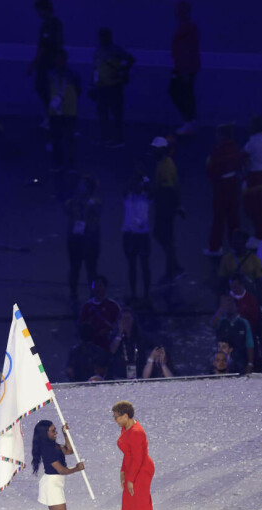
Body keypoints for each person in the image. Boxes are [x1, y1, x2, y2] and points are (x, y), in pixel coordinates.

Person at [112, 401, 160, 510]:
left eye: (117, 417)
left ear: (125, 416)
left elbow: (138, 459)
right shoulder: (125, 427)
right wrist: (123, 472)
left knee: (143, 508)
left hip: (142, 471)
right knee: (127, 508)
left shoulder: (136, 432)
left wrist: (130, 479)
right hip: (132, 469)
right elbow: (129, 454)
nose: (115, 420)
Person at [31, 420, 84, 510]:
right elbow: (62, 470)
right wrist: (76, 469)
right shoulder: (48, 449)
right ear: (45, 433)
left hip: (54, 484)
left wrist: (65, 434)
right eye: (53, 431)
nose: (55, 433)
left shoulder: (51, 445)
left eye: (56, 430)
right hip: (52, 485)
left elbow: (69, 450)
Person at [91, 27, 135, 148]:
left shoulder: (115, 50)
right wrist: (94, 84)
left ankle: (118, 139)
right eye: (101, 36)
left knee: (116, 113)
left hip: (114, 86)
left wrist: (121, 71)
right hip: (102, 86)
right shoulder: (98, 51)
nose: (102, 39)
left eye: (104, 36)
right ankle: (106, 137)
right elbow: (96, 69)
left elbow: (131, 59)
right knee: (103, 113)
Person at [205, 124, 243, 255]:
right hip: (233, 184)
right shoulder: (234, 147)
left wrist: (209, 166)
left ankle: (216, 247)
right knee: (233, 216)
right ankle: (235, 245)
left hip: (221, 186)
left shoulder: (218, 149)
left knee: (219, 216)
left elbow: (213, 168)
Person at [65, 175, 102, 302]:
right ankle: (74, 293)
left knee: (91, 269)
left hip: (89, 239)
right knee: (76, 267)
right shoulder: (73, 202)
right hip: (77, 239)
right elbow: (68, 210)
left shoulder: (94, 202)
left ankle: (92, 293)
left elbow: (94, 213)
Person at [151, 137, 183, 282]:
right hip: (167, 205)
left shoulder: (165, 166)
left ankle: (171, 269)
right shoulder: (165, 163)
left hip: (165, 206)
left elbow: (168, 187)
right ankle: (174, 266)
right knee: (167, 237)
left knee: (162, 235)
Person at [28, 0, 63, 127]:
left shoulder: (53, 24)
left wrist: (34, 63)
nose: (38, 13)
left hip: (50, 64)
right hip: (45, 63)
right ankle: (52, 115)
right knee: (43, 88)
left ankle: (54, 116)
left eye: (39, 10)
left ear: (45, 9)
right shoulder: (47, 25)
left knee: (46, 89)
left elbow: (46, 46)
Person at [47, 49, 81, 172]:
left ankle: (70, 163)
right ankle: (59, 163)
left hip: (69, 111)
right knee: (56, 138)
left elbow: (78, 90)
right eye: (57, 59)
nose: (59, 61)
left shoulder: (72, 75)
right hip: (55, 111)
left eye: (62, 59)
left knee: (69, 138)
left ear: (65, 60)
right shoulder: (50, 74)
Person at [122, 170, 153, 303]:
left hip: (140, 235)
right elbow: (126, 188)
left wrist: (145, 179)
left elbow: (152, 189)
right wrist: (137, 179)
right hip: (131, 234)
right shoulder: (128, 196)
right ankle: (135, 294)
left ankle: (145, 295)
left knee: (143, 266)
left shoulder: (146, 196)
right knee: (133, 265)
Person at [169, 1, 199, 135]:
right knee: (185, 92)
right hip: (184, 65)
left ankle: (189, 121)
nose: (175, 11)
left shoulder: (187, 26)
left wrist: (184, 69)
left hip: (184, 66)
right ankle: (191, 121)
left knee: (177, 91)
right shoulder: (186, 26)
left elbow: (187, 48)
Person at [242, 116, 262, 243]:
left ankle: (259, 236)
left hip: (254, 177)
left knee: (254, 207)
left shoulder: (252, 143)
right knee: (260, 206)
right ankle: (261, 233)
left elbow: (242, 156)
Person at [213, 294, 254, 374]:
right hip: (223, 363)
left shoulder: (243, 323)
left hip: (240, 362)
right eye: (227, 304)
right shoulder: (221, 321)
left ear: (236, 306)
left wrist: (250, 363)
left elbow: (250, 344)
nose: (229, 306)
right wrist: (221, 308)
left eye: (231, 304)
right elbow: (213, 324)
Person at [78, 276, 120, 349]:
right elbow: (82, 325)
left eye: (100, 285)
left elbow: (119, 324)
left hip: (109, 342)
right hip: (92, 343)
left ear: (105, 287)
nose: (97, 288)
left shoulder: (113, 305)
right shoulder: (87, 306)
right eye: (95, 285)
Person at [108, 308, 144, 380]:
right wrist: (120, 333)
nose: (126, 321)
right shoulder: (114, 336)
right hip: (120, 376)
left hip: (138, 374)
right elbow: (112, 350)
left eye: (128, 318)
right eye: (124, 318)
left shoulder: (139, 336)